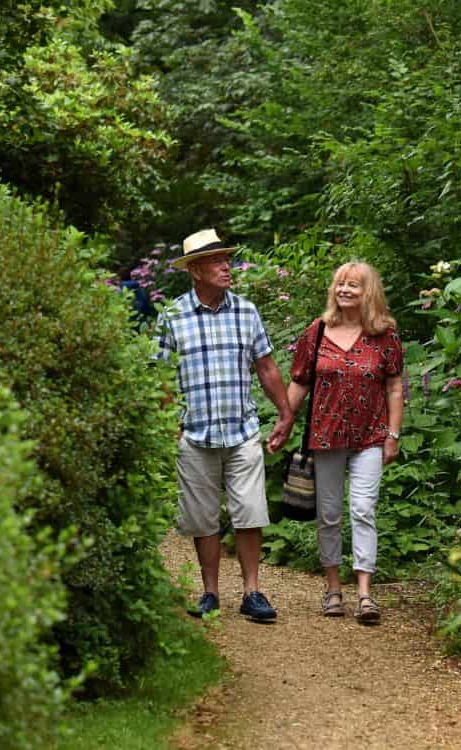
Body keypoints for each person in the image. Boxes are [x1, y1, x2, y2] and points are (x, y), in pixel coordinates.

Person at [154, 229, 294, 621]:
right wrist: (171, 426)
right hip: (194, 434)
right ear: (196, 270)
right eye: (216, 261)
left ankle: (252, 591)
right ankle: (210, 592)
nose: (226, 267)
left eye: (226, 259)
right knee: (203, 519)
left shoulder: (246, 311)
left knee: (250, 510)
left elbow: (265, 367)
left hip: (242, 431)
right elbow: (162, 378)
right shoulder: (173, 316)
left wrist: (284, 412)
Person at [286, 261, 404, 624]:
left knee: (364, 509)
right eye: (340, 284)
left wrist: (393, 435)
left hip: (370, 435)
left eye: (353, 285)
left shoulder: (385, 335)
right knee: (329, 513)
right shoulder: (317, 332)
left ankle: (365, 594)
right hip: (326, 436)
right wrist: (284, 421)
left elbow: (395, 387)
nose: (345, 290)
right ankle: (333, 588)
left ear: (368, 292)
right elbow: (300, 381)